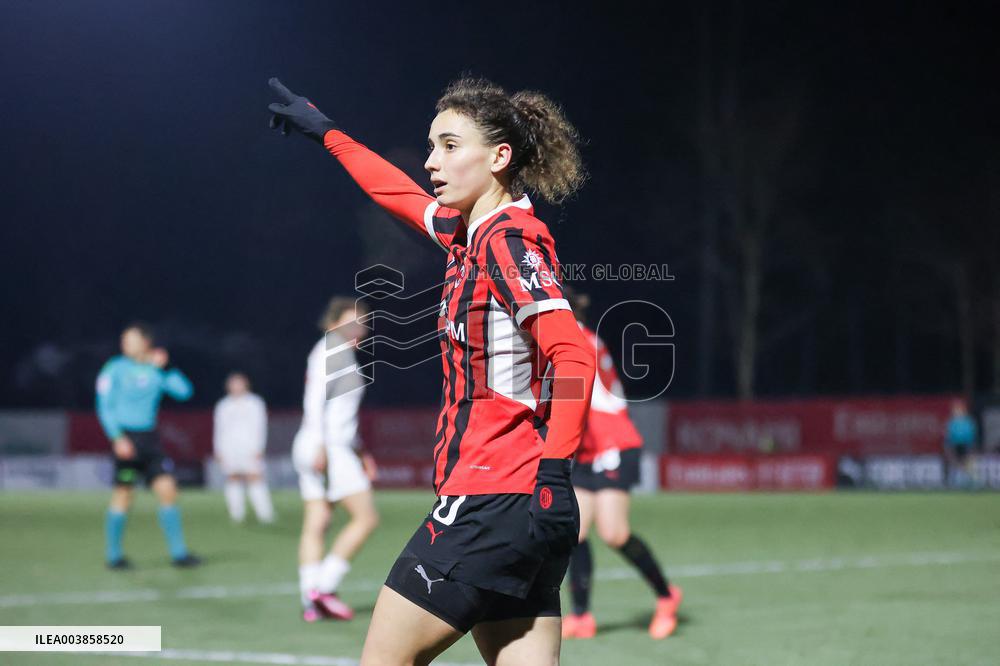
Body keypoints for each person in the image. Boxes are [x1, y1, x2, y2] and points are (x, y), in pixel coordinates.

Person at [269, 75, 597, 665]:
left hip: (492, 497)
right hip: (517, 505)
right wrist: (328, 134)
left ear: (499, 157)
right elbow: (396, 193)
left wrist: (552, 475)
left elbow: (573, 356)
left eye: (448, 145)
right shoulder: (468, 232)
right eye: (430, 146)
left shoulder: (508, 241)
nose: (430, 162)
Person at [560, 291, 682, 640]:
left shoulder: (576, 341)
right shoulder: (570, 340)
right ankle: (582, 617)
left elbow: (571, 399)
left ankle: (666, 595)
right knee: (576, 533)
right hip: (586, 448)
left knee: (614, 533)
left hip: (613, 443)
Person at [292, 297, 379, 623]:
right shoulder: (331, 348)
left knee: (317, 522)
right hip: (326, 447)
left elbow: (340, 412)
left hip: (326, 445)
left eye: (363, 320)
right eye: (353, 319)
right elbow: (315, 400)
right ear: (334, 320)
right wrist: (321, 447)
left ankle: (309, 600)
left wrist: (361, 452)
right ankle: (324, 589)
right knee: (365, 518)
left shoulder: (337, 350)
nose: (361, 326)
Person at [96, 323, 200, 569]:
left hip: (150, 440)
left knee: (168, 490)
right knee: (124, 494)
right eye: (123, 340)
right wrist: (117, 437)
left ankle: (179, 554)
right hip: (126, 438)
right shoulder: (115, 368)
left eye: (130, 339)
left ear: (146, 342)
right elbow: (104, 406)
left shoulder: (157, 368)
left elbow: (185, 392)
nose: (125, 344)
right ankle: (114, 556)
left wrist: (167, 367)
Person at [213, 372, 274, 524]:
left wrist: (259, 447)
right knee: (233, 478)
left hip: (250, 446)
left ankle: (265, 514)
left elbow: (260, 426)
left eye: (239, 383)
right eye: (233, 384)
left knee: (254, 477)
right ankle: (236, 514)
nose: (236, 387)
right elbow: (219, 429)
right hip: (229, 447)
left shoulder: (255, 403)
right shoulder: (223, 405)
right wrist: (218, 449)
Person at [944, 399, 977, 489]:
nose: (956, 411)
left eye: (958, 409)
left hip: (966, 445)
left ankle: (972, 482)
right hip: (955, 446)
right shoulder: (951, 422)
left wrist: (972, 446)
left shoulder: (968, 422)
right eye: (955, 410)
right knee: (954, 463)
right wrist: (947, 446)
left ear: (963, 410)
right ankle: (952, 482)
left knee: (968, 463)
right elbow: (948, 436)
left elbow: (972, 435)